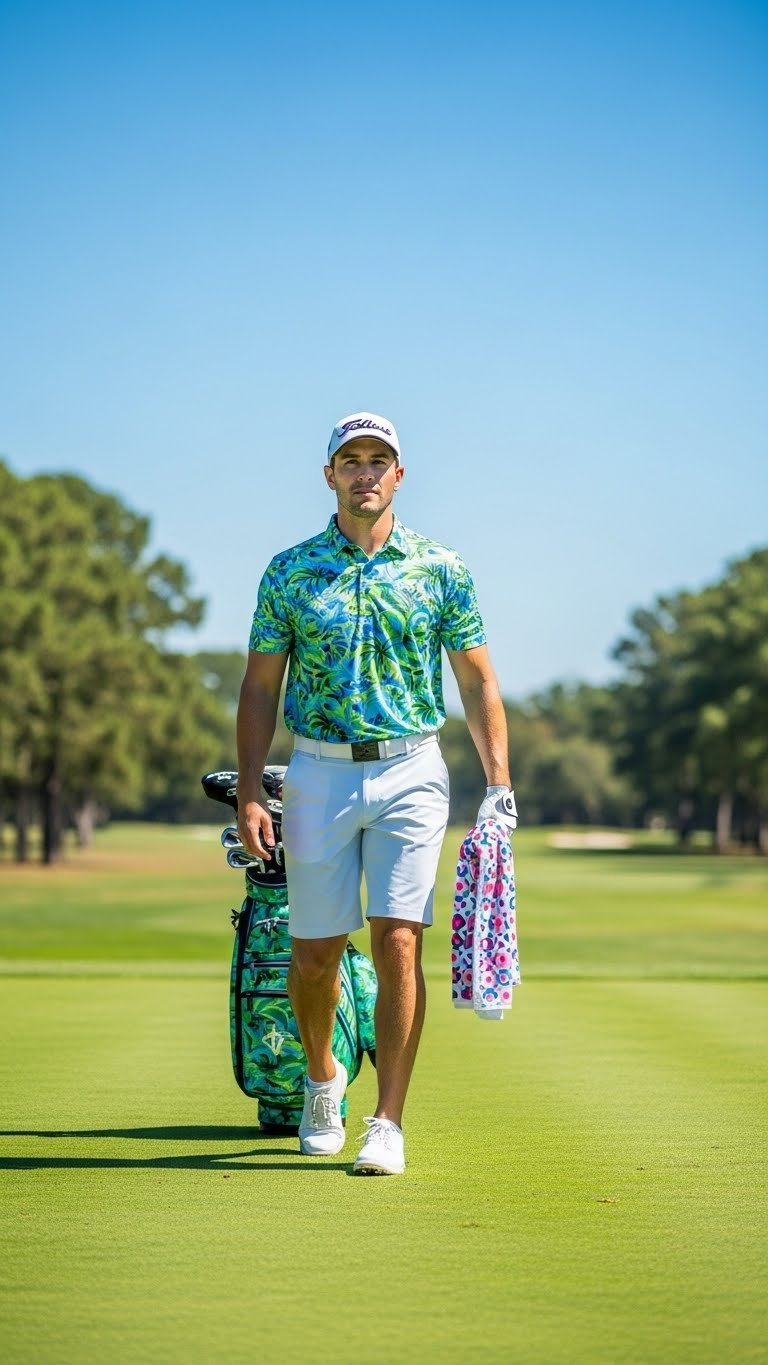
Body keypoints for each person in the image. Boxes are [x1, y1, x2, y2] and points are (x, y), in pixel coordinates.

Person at [236, 411, 516, 1176]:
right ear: (329, 475)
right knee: (315, 953)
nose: (366, 472)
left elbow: (477, 677)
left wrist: (499, 784)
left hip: (411, 768)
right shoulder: (289, 570)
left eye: (379, 460)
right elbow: (262, 685)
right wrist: (254, 788)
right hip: (318, 771)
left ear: (400, 475)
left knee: (399, 938)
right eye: (350, 460)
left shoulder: (440, 568)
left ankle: (387, 1120)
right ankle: (324, 1078)